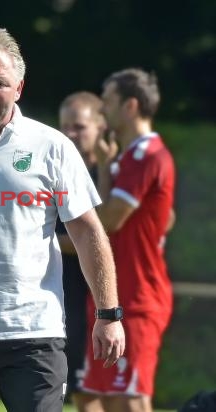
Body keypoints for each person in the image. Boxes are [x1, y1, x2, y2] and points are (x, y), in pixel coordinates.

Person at [0, 27, 125, 412]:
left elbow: (87, 232)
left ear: (19, 87)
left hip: (34, 329)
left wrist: (109, 314)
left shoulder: (51, 146)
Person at [76, 68, 176, 412]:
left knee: (129, 400)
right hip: (119, 294)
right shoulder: (128, 158)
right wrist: (105, 169)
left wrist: (53, 242)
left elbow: (108, 222)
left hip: (138, 296)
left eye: (108, 102)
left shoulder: (146, 155)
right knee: (101, 397)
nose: (102, 110)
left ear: (131, 106)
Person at [55, 92, 106, 402]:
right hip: (63, 299)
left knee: (93, 391)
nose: (70, 134)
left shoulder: (110, 176)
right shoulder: (55, 171)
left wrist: (37, 241)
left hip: (95, 301)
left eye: (79, 127)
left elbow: (99, 235)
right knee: (79, 391)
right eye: (64, 127)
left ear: (100, 126)